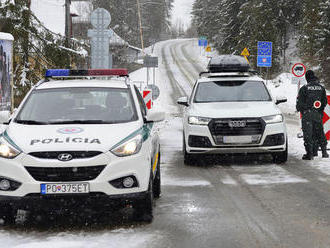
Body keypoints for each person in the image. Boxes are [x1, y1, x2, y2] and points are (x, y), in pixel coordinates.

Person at [296, 70, 329, 160]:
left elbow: (299, 104)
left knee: (308, 134)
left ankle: (309, 154)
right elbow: (324, 102)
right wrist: (319, 111)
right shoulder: (321, 88)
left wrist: (303, 110)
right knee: (319, 133)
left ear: (307, 78)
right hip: (317, 114)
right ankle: (324, 152)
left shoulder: (304, 88)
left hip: (307, 114)